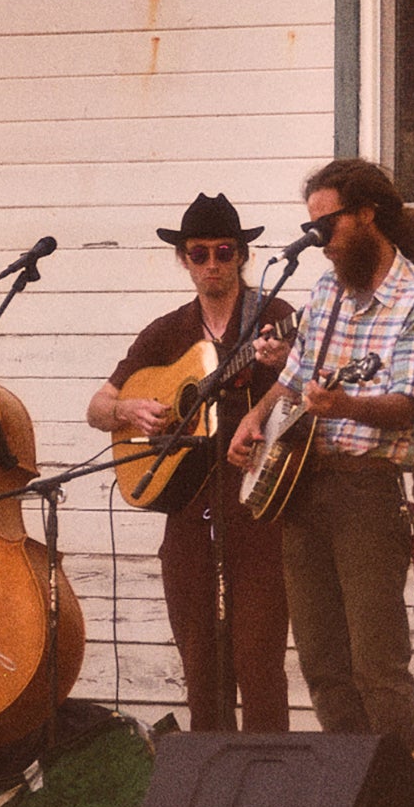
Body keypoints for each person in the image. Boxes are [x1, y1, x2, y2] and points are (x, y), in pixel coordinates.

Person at [228, 159, 414, 756]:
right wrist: (255, 417)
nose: (319, 240)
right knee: (323, 664)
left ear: (366, 216)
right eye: (313, 228)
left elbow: (412, 403)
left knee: (377, 664)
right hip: (302, 486)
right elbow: (296, 377)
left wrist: (345, 404)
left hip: (367, 491)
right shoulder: (326, 287)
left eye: (327, 226)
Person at [87, 194, 293, 733]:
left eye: (224, 251)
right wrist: (128, 407)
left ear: (242, 254)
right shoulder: (167, 332)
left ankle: (266, 800)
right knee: (202, 665)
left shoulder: (275, 319)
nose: (211, 264)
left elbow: (312, 392)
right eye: (198, 253)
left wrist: (286, 362)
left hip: (258, 511)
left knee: (258, 662)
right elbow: (97, 409)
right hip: (188, 514)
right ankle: (210, 797)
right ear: (183, 259)